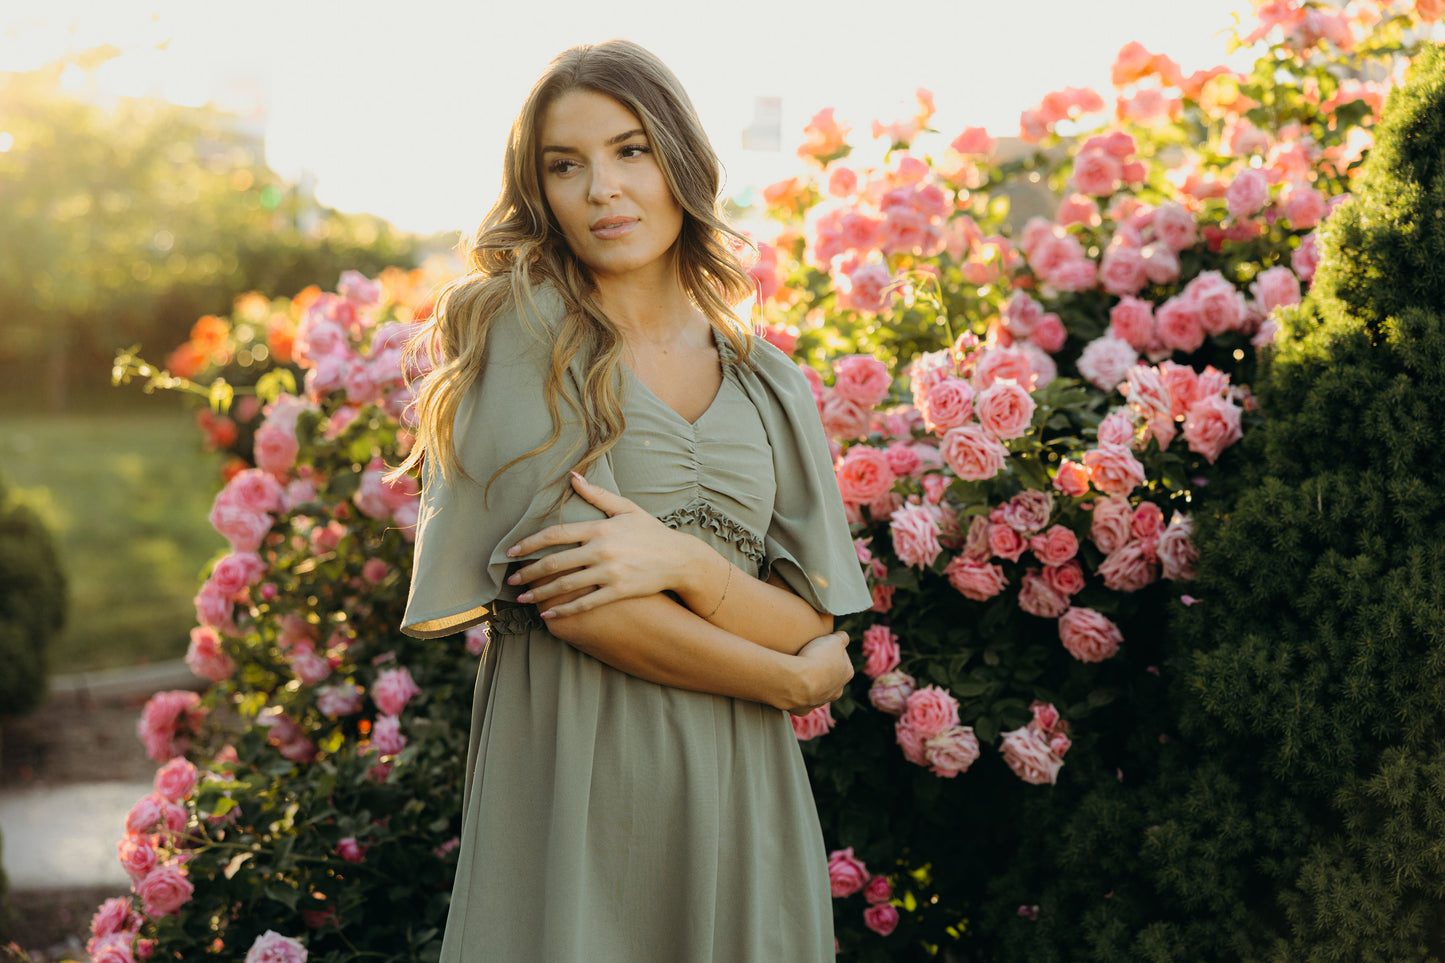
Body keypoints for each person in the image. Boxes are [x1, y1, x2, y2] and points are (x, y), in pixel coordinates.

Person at [396, 38, 871, 962]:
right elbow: (585, 607)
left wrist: (687, 564)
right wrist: (788, 680)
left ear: (678, 161)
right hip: (584, 768)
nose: (602, 189)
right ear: (540, 195)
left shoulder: (767, 377)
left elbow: (810, 612)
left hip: (744, 787)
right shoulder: (522, 327)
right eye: (564, 166)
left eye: (630, 150)